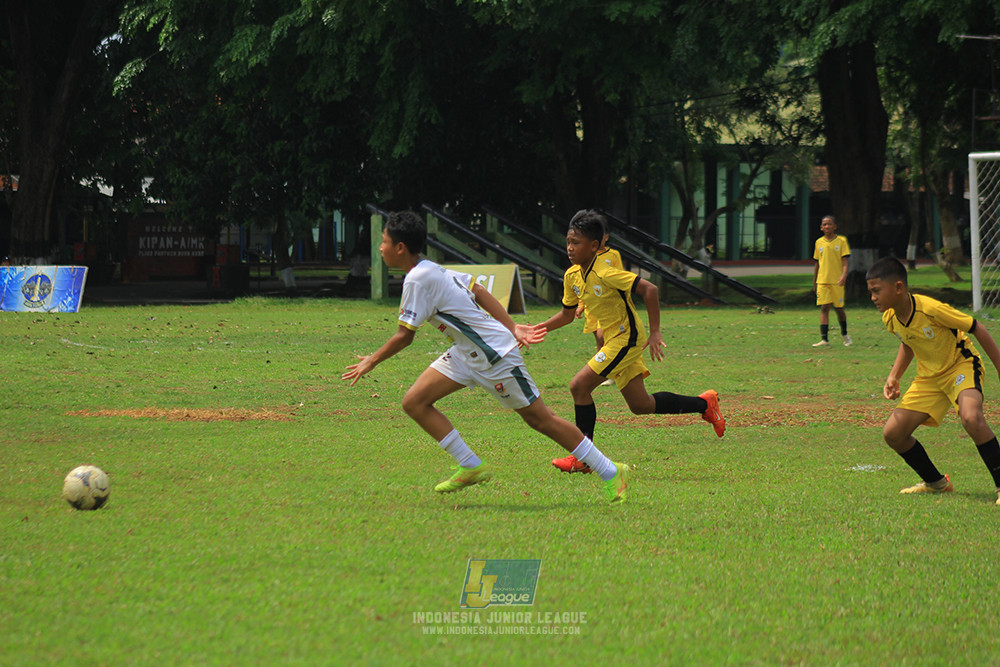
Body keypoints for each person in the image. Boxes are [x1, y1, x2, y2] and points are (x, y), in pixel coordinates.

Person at [342, 210, 632, 502]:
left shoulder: (417, 279)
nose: (380, 248)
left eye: (384, 242)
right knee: (414, 401)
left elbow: (405, 336)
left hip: (495, 356)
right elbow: (477, 288)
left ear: (400, 247)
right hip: (466, 353)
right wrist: (514, 326)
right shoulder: (429, 268)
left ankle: (611, 471)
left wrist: (371, 361)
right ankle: (470, 465)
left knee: (541, 420)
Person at [530, 209, 725, 475]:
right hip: (613, 338)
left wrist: (655, 332)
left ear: (595, 246)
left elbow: (650, 289)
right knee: (640, 405)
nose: (570, 248)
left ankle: (584, 457)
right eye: (568, 242)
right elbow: (566, 314)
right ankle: (705, 404)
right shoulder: (572, 276)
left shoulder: (606, 272)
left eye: (576, 243)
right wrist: (535, 329)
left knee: (579, 386)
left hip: (627, 338)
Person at [866, 256, 1000, 505]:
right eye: (871, 292)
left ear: (898, 287)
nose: (873, 297)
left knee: (971, 417)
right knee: (893, 434)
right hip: (929, 378)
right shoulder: (891, 318)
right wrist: (894, 376)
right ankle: (936, 483)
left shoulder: (931, 309)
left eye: (876, 291)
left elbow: (977, 327)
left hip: (960, 365)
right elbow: (909, 342)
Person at [574, 227, 623, 387]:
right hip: (591, 305)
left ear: (606, 237)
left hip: (607, 304)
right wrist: (580, 304)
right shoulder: (588, 258)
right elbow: (584, 283)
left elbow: (620, 275)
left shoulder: (613, 255)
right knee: (599, 341)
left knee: (604, 337)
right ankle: (604, 373)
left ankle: (613, 372)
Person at [812, 215, 852, 347]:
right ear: (821, 227)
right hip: (823, 280)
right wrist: (814, 281)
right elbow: (817, 263)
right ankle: (824, 339)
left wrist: (843, 275)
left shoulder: (841, 241)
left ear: (835, 226)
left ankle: (845, 334)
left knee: (839, 309)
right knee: (824, 308)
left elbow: (845, 261)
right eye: (824, 224)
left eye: (829, 224)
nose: (827, 226)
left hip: (837, 281)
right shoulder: (819, 242)